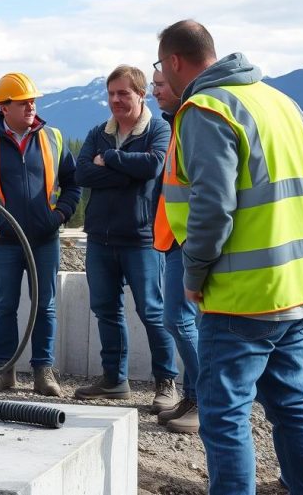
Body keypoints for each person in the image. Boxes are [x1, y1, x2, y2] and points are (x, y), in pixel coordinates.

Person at [156, 19, 303, 493]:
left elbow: (212, 206)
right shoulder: (281, 103)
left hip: (242, 295)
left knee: (224, 416)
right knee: (292, 405)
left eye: (160, 67)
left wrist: (194, 272)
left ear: (174, 61)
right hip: (297, 287)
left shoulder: (206, 109)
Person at [73, 65, 179, 415]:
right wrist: (125, 173)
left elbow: (152, 167)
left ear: (141, 94)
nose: (116, 100)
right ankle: (114, 380)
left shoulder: (159, 129)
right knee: (106, 309)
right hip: (100, 239)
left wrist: (113, 160)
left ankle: (167, 382)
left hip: (142, 239)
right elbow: (83, 172)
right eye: (112, 93)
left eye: (124, 93)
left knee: (153, 312)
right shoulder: (97, 132)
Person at [0, 72, 81, 397]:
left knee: (45, 305)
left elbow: (73, 184)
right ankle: (3, 371)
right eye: (23, 101)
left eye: (33, 100)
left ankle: (44, 373)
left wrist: (59, 216)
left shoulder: (54, 139)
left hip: (45, 240)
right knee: (5, 305)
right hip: (4, 242)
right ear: (5, 108)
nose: (31, 105)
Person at [151, 70, 200, 434]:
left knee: (180, 321)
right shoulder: (178, 122)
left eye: (160, 84)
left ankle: (204, 400)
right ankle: (194, 394)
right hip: (173, 240)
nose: (155, 91)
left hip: (187, 241)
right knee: (181, 321)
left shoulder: (194, 123)